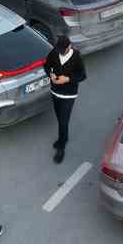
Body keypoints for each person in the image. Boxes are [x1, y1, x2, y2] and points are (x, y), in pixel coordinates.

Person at [43, 35, 86, 165]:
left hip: (69, 95)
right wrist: (50, 74)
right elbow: (47, 66)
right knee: (59, 118)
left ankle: (61, 147)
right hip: (55, 92)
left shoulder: (76, 56)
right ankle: (64, 137)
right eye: (59, 49)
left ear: (69, 46)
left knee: (63, 121)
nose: (60, 52)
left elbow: (82, 75)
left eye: (63, 50)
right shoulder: (54, 52)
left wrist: (67, 79)